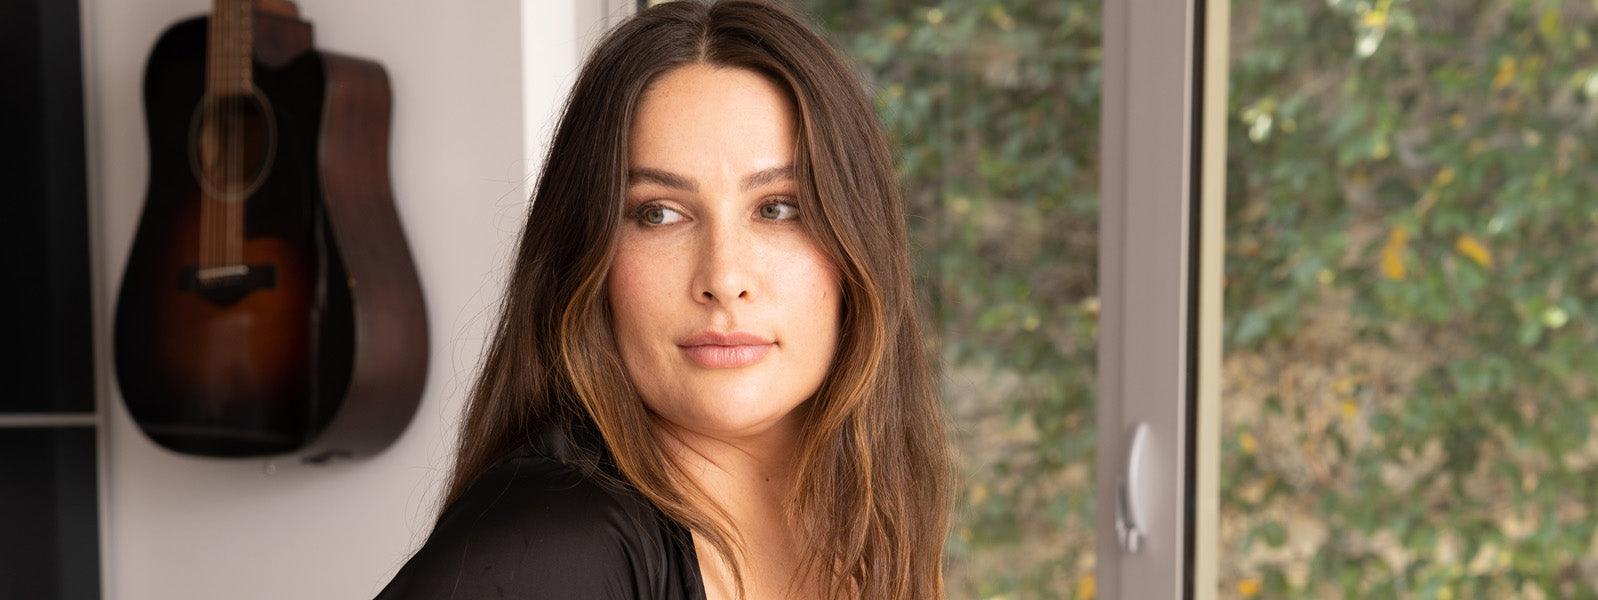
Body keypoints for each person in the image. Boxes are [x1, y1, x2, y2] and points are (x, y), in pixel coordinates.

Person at [373, 1, 951, 598]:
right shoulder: (550, 549)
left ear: (860, 248)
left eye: (779, 208)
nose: (724, 278)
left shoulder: (876, 532)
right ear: (587, 260)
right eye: (660, 214)